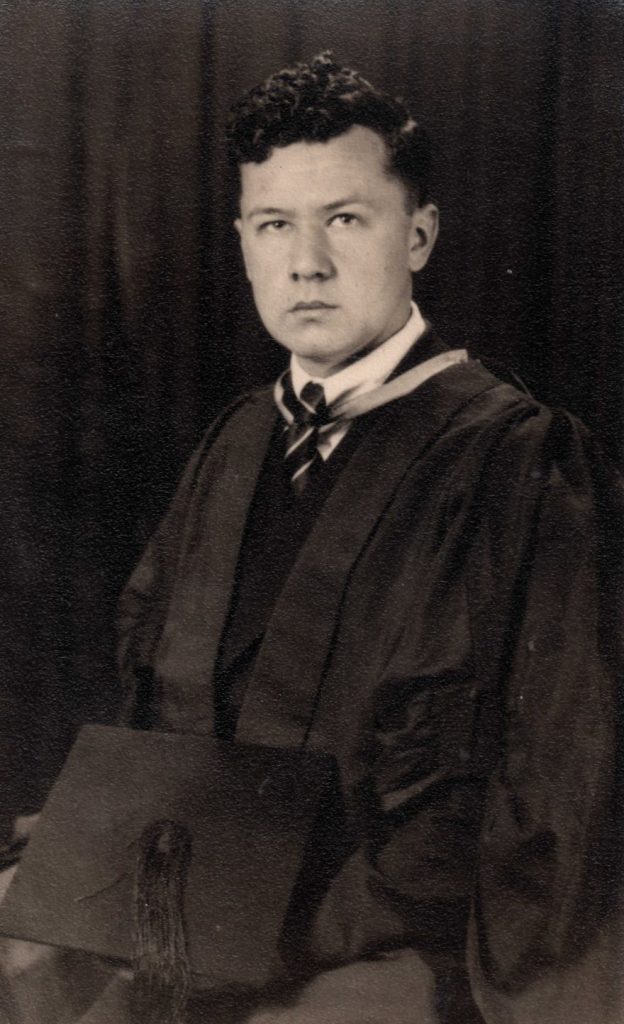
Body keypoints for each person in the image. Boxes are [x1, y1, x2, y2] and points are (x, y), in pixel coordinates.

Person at [117, 53, 622, 1024]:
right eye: (275, 225)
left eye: (346, 219)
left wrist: (317, 935)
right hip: (192, 933)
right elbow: (146, 715)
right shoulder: (234, 445)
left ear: (419, 234)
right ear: (243, 242)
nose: (306, 261)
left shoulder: (524, 465)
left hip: (414, 956)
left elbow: (557, 812)